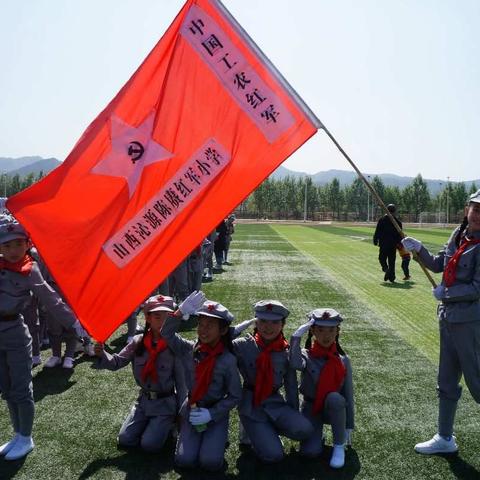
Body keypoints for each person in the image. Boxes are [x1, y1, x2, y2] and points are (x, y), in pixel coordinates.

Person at [401, 189, 480, 454]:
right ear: (467, 209)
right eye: (476, 208)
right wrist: (419, 249)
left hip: (471, 323)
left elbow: (477, 287)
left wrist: (445, 292)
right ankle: (445, 438)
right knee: (446, 381)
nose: (478, 215)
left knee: (477, 383)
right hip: (448, 319)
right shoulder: (458, 235)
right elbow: (438, 265)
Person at [0, 214, 83, 460]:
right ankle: (17, 434)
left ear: (27, 244)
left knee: (21, 388)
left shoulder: (29, 269)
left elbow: (52, 301)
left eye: (18, 244)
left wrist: (76, 323)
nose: (13, 250)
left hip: (15, 333)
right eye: (6, 245)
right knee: (6, 388)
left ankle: (26, 437)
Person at [94, 295, 187, 452]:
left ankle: (168, 424)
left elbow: (182, 384)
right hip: (144, 402)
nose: (162, 321)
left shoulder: (175, 345)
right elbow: (116, 362)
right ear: (148, 318)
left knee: (149, 445)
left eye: (167, 316)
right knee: (125, 440)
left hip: (165, 403)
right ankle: (152, 425)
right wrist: (102, 354)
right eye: (157, 316)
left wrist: (181, 415)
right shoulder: (138, 341)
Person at [160, 293, 242, 471]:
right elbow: (166, 333)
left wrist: (212, 414)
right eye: (201, 324)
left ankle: (217, 438)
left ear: (223, 330)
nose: (203, 330)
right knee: (184, 461)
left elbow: (235, 395)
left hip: (215, 413)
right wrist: (179, 313)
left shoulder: (227, 360)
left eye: (210, 326)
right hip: (192, 408)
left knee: (210, 463)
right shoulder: (189, 349)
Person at [232, 300, 314, 463]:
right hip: (251, 404)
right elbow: (218, 347)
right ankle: (254, 431)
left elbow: (291, 386)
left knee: (305, 429)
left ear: (283, 324)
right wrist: (232, 332)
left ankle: (264, 432)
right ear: (255, 322)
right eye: (262, 321)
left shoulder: (286, 351)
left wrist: (293, 414)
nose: (268, 327)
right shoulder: (242, 345)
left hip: (274, 402)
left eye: (275, 322)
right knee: (274, 456)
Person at [290, 308, 354, 468]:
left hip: (334, 409)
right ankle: (317, 437)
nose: (326, 335)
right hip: (311, 408)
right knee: (310, 452)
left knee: (335, 397)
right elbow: (295, 363)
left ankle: (338, 446)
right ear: (312, 330)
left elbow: (348, 393)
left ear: (338, 331)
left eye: (331, 330)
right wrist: (296, 337)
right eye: (320, 330)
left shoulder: (343, 360)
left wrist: (349, 425)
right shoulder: (306, 354)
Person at [373, 204, 403, 282]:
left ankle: (386, 270)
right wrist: (399, 243)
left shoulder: (382, 220)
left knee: (382, 258)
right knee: (391, 261)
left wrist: (375, 240)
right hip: (393, 245)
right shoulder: (398, 222)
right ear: (395, 211)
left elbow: (377, 231)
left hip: (384, 243)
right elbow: (400, 235)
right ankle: (392, 277)